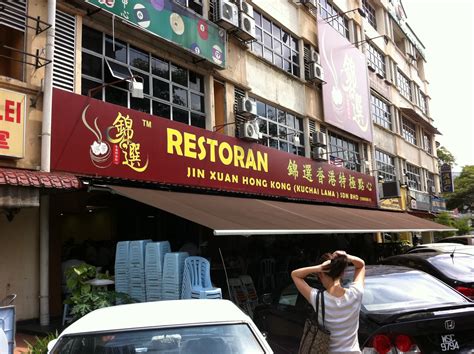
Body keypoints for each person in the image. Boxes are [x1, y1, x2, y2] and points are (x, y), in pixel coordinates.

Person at [291, 250, 365, 353]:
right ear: (342, 273)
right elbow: (361, 265)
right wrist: (346, 257)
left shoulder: (318, 299)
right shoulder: (356, 294)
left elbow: (295, 274)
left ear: (320, 275)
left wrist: (319, 268)